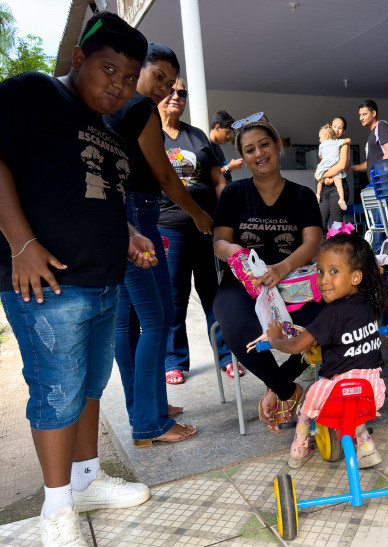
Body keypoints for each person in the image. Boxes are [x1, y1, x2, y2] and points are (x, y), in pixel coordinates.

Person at [0, 12, 154, 545]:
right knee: (57, 392)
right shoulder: (32, 93)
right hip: (46, 284)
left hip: (104, 281)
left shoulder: (110, 128)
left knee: (90, 384)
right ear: (79, 59)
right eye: (109, 68)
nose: (119, 84)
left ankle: (86, 481)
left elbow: (98, 195)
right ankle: (57, 508)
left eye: (129, 77)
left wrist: (129, 234)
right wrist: (21, 244)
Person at [105, 44, 213, 445]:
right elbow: (166, 175)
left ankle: (146, 409)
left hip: (120, 216)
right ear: (141, 69)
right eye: (160, 76)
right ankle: (150, 423)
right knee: (155, 317)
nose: (166, 87)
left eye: (172, 81)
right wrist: (200, 215)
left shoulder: (114, 107)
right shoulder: (139, 109)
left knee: (130, 322)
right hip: (138, 215)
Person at [213, 119, 326, 431]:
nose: (259, 153)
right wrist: (232, 250)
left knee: (328, 322)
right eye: (249, 150)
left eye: (264, 144)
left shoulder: (303, 196)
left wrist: (281, 268)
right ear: (243, 158)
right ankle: (289, 391)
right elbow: (219, 241)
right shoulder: (233, 194)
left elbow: (313, 242)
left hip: (294, 279)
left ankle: (276, 385)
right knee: (236, 327)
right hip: (243, 284)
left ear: (278, 146)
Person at [266, 230, 386, 468]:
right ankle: (365, 446)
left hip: (337, 392)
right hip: (373, 391)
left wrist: (275, 340)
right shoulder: (370, 305)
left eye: (334, 271)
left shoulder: (331, 314)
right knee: (355, 408)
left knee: (309, 401)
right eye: (319, 271)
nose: (323, 280)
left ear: (355, 277)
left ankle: (299, 446)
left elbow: (295, 346)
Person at [157, 79, 241, 381]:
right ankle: (174, 361)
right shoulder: (150, 137)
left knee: (212, 293)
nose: (177, 97)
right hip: (169, 228)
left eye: (182, 93)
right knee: (175, 296)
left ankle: (225, 356)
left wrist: (224, 215)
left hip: (206, 228)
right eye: (171, 91)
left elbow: (219, 180)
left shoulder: (198, 137)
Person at [348, 101, 388, 253]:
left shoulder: (381, 126)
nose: (361, 118)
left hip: (383, 185)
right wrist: (352, 168)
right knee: (376, 222)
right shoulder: (373, 133)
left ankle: (380, 254)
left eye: (364, 114)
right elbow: (369, 163)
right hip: (376, 185)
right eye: (359, 115)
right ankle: (378, 253)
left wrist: (381, 179)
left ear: (373, 113)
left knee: (381, 223)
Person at [317, 116, 351, 232]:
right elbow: (320, 168)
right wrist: (323, 180)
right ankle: (323, 249)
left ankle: (337, 249)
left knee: (336, 224)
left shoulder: (342, 144)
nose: (336, 130)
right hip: (325, 188)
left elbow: (341, 166)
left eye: (340, 128)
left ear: (344, 131)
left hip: (338, 187)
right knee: (320, 223)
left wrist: (322, 176)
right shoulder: (326, 146)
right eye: (334, 126)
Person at [209, 110, 244, 183]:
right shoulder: (209, 147)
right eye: (227, 132)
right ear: (217, 127)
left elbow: (221, 171)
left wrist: (231, 167)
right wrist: (229, 167)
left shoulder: (216, 146)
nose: (228, 136)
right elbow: (210, 177)